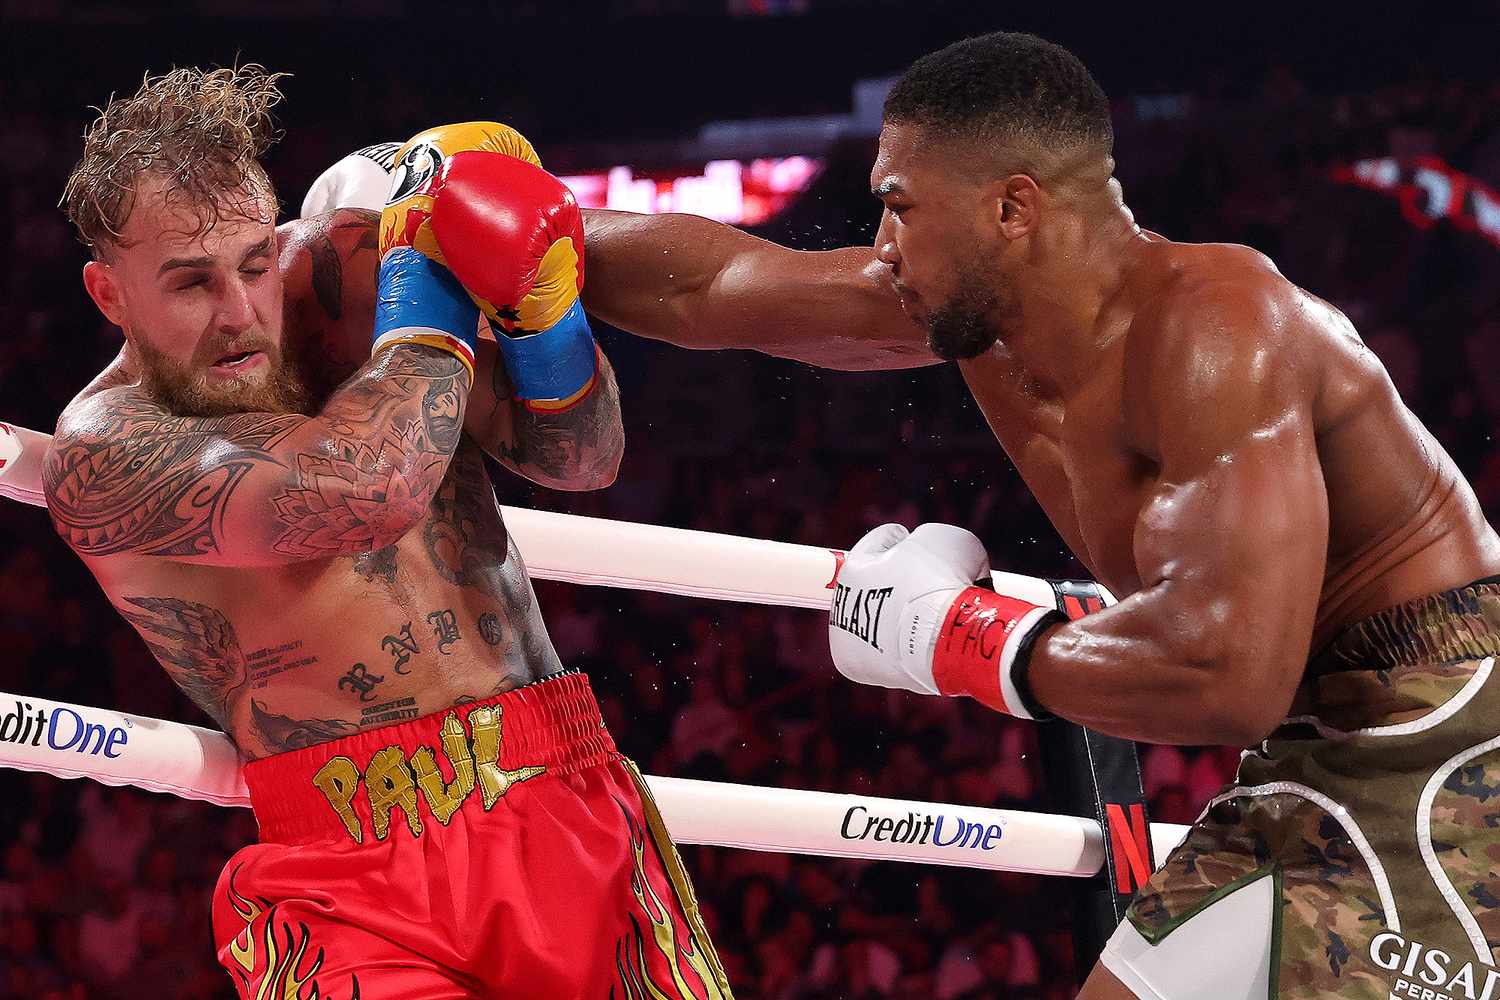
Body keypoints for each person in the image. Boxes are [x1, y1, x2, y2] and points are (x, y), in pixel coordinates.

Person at [573, 32, 1500, 1000]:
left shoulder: (1219, 326)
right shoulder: (978, 314)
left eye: (900, 207)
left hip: (1449, 731)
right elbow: (710, 286)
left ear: (1011, 207)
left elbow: (1228, 674)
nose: (881, 244)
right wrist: (501, 226)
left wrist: (960, 637)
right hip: (1320, 745)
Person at [45, 65, 729, 998]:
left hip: (566, 791)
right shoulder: (104, 452)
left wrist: (542, 315)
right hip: (351, 881)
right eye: (191, 284)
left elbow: (582, 459)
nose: (241, 312)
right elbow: (365, 488)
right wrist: (426, 272)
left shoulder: (334, 287)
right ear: (108, 293)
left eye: (252, 263)